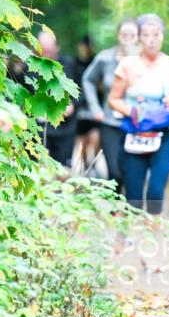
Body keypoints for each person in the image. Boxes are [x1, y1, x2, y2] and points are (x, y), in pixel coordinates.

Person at [108, 14, 169, 215]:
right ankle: (125, 236)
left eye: (156, 34)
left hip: (164, 135)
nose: (152, 40)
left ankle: (152, 229)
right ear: (139, 38)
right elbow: (113, 99)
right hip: (135, 133)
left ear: (162, 36)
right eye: (146, 35)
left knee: (155, 189)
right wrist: (133, 111)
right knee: (133, 194)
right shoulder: (127, 64)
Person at [82, 18, 140, 193]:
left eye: (132, 34)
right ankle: (115, 209)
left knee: (132, 170)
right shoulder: (105, 58)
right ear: (118, 36)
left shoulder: (143, 61)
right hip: (109, 122)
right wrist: (95, 107)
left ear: (138, 37)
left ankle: (132, 209)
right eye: (124, 34)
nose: (128, 38)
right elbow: (88, 80)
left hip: (136, 123)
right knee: (115, 170)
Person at [36, 30, 78, 168]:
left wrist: (72, 104)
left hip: (64, 130)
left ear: (57, 47)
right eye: (43, 48)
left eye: (49, 49)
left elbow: (81, 92)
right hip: (38, 130)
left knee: (63, 171)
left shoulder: (69, 65)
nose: (47, 52)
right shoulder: (29, 68)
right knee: (40, 170)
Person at [72, 35, 102, 175]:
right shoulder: (75, 63)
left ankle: (93, 165)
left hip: (94, 107)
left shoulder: (95, 62)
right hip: (79, 108)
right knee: (81, 142)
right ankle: (85, 167)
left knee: (95, 137)